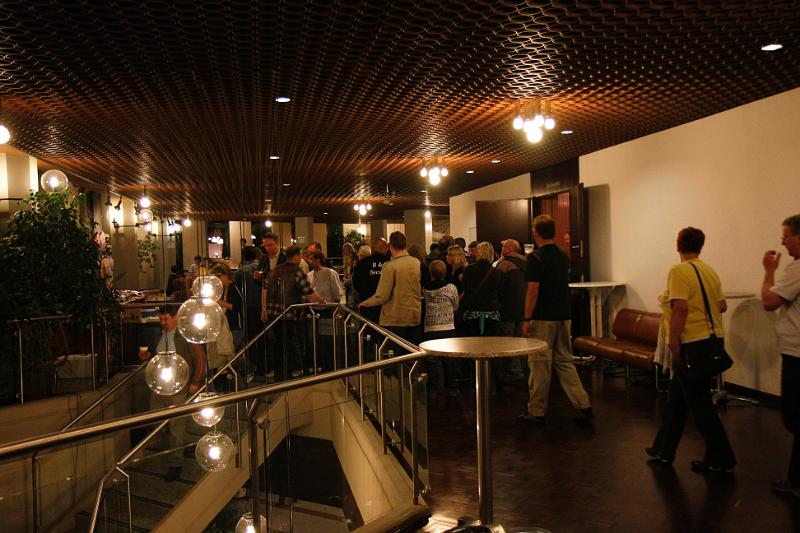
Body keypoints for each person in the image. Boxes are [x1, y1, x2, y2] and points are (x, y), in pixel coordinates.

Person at [646, 226, 735, 472]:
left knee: (700, 404)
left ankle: (722, 458)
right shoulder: (709, 271)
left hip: (692, 344)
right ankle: (663, 449)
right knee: (677, 399)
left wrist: (674, 343)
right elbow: (722, 305)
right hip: (711, 340)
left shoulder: (679, 270)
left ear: (679, 245)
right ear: (701, 246)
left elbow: (680, 308)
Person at [520, 215, 593, 426]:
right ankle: (583, 404)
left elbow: (533, 291)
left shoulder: (535, 258)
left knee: (539, 364)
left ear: (536, 233)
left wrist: (527, 318)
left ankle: (536, 411)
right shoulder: (563, 255)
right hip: (563, 315)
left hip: (543, 317)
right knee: (564, 361)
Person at [139, 308, 205, 482]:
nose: (163, 323)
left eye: (166, 319)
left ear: (175, 318)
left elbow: (199, 358)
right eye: (161, 319)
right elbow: (158, 358)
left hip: (179, 386)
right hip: (161, 385)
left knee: (177, 425)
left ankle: (175, 464)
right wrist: (148, 357)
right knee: (157, 419)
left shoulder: (184, 336)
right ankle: (180, 447)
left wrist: (195, 381)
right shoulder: (160, 335)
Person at [762, 214, 800, 495]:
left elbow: (769, 302)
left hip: (797, 353)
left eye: (786, 236)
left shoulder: (796, 269)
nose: (782, 242)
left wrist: (769, 270)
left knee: (794, 416)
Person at [263, 245, 324, 379]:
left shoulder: (274, 270)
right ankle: (296, 369)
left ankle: (279, 371)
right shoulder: (297, 271)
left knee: (277, 343)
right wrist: (322, 300)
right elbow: (309, 293)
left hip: (272, 312)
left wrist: (264, 309)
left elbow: (265, 289)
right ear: (296, 256)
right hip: (288, 312)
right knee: (292, 341)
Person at [358, 231, 421, 344]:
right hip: (413, 316)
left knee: (391, 352)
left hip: (394, 318)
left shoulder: (390, 266)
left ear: (390, 246)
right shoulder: (416, 262)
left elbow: (382, 296)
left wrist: (365, 303)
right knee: (410, 351)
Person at [461, 242, 505, 389]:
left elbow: (465, 289)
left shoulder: (469, 270)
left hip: (472, 314)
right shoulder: (496, 272)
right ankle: (497, 382)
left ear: (479, 252)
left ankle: (475, 382)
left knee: (473, 350)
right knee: (493, 349)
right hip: (491, 314)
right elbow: (500, 292)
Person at [424, 260, 460, 397]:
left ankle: (432, 390)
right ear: (445, 272)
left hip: (430, 327)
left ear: (430, 273)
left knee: (432, 360)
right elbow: (456, 306)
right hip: (447, 326)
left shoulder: (425, 288)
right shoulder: (451, 288)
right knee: (449, 359)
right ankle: (452, 387)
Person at [496, 239, 527, 381]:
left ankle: (514, 372)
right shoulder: (527, 263)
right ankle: (524, 368)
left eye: (503, 246)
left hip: (507, 308)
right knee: (521, 340)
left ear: (508, 249)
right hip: (524, 307)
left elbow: (498, 286)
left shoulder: (505, 264)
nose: (501, 248)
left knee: (508, 341)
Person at [352, 237, 390, 323]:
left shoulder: (362, 263)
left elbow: (356, 284)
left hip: (367, 304)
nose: (387, 249)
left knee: (368, 328)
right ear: (381, 247)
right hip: (385, 305)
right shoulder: (389, 263)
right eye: (386, 246)